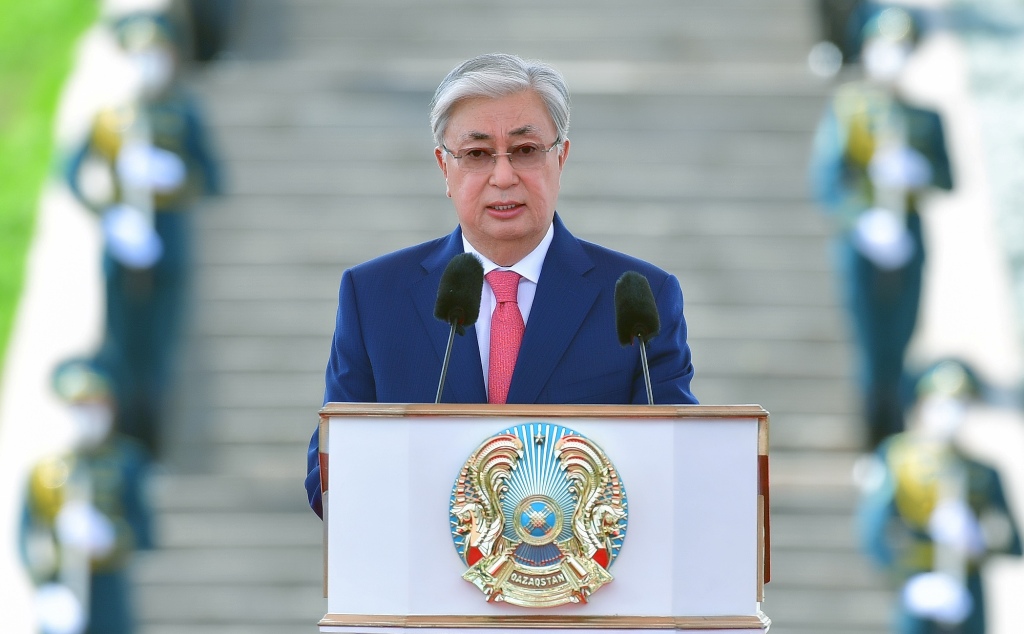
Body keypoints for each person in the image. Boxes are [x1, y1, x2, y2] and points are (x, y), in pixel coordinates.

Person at [304, 53, 698, 518]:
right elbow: (327, 474)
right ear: (444, 167)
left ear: (561, 157)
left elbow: (681, 464)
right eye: (477, 154)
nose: (504, 176)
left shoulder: (639, 298)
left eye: (526, 150)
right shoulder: (374, 296)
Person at [65, 11, 221, 459]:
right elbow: (72, 172)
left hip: (168, 242)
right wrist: (106, 212)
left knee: (159, 348)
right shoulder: (109, 118)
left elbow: (212, 179)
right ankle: (124, 436)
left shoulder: (182, 115)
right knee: (120, 344)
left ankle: (154, 439)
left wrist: (176, 175)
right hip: (122, 244)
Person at [809, 7, 953, 451]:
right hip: (865, 237)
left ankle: (895, 428)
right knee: (869, 343)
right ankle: (873, 436)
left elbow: (949, 177)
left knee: (901, 336)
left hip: (907, 233)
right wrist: (862, 219)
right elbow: (828, 182)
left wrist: (920, 171)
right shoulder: (850, 109)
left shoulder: (924, 116)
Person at [856, 359, 1021, 633]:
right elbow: (874, 531)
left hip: (968, 585)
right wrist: (906, 581)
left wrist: (980, 536)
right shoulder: (898, 459)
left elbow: (1013, 542)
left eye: (962, 402)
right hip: (919, 580)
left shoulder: (984, 472)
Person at [20, 358, 155, 634]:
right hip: (61, 585)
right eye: (80, 406)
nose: (89, 414)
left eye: (97, 404)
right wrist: (43, 588)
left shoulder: (127, 462)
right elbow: (24, 536)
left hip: (109, 590)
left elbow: (145, 532)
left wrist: (111, 537)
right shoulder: (43, 469)